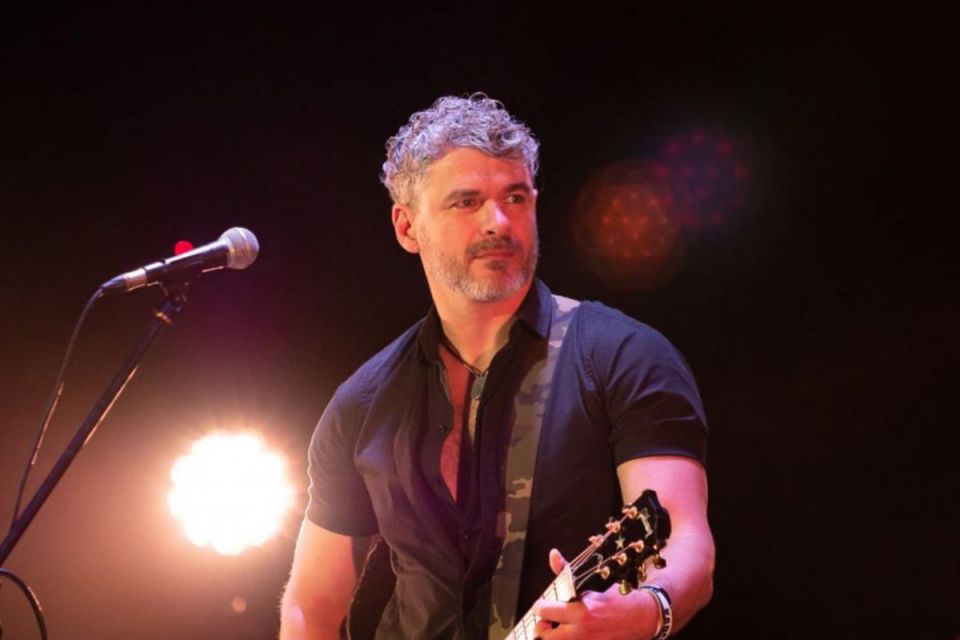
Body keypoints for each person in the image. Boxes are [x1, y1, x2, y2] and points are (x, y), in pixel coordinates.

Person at [280, 94, 714, 640]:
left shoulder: (625, 356)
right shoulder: (362, 402)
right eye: (466, 202)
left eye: (515, 197)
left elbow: (684, 540)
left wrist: (646, 610)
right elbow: (310, 607)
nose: (499, 222)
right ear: (407, 227)